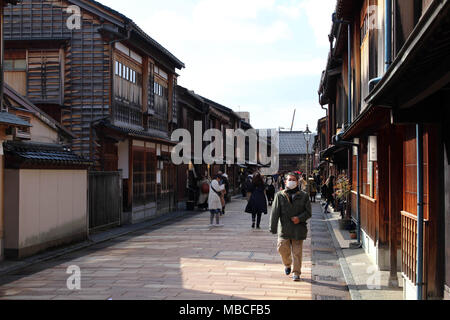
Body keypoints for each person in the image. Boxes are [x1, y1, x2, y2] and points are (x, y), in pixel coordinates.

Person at [270, 172, 312, 282]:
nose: (291, 181)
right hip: (284, 228)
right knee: (282, 248)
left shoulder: (304, 196)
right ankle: (287, 264)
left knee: (297, 253)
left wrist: (300, 218)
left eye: (294, 179)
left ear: (297, 182)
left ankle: (296, 272)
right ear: (285, 181)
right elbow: (275, 213)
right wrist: (272, 227)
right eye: (289, 179)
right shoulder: (279, 195)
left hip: (298, 229)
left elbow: (308, 212)